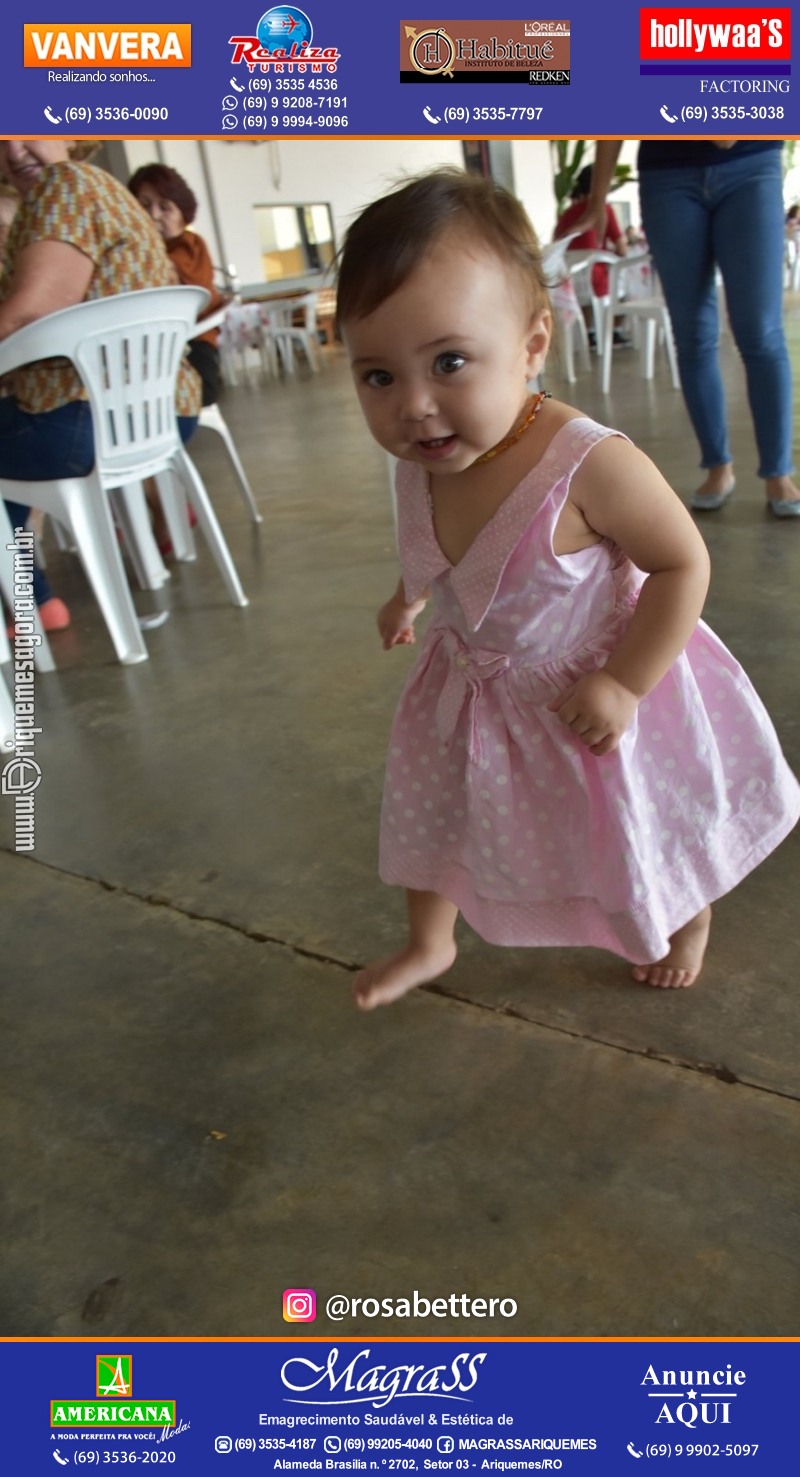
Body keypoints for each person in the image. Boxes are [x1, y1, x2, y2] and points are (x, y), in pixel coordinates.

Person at [335, 168, 800, 1010]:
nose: (415, 407)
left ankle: (687, 916)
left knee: (648, 821)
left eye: (449, 362)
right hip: (475, 687)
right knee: (435, 814)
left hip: (595, 689)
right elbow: (437, 547)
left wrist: (625, 681)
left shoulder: (586, 463)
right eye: (378, 377)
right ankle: (427, 941)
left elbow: (682, 563)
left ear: (532, 344)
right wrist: (408, 596)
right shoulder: (426, 456)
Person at [0, 139, 201, 631]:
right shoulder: (105, 190)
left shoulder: (61, 185)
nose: (13, 148)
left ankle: (30, 599)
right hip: (152, 411)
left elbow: (29, 309)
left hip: (87, 420)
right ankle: (33, 598)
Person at [580, 141, 800, 517]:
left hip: (751, 162)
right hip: (667, 172)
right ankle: (718, 466)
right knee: (693, 336)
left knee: (761, 333)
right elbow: (613, 97)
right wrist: (597, 197)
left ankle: (778, 473)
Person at [128, 162, 225, 407]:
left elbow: (171, 282)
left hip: (193, 345)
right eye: (144, 204)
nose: (153, 215)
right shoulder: (135, 253)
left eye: (165, 207)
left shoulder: (190, 246)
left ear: (183, 214)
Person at [554, 163, 627, 302]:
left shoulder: (566, 214)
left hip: (568, 283)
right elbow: (622, 249)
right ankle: (613, 323)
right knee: (626, 289)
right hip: (595, 281)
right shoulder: (603, 210)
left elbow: (556, 245)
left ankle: (591, 323)